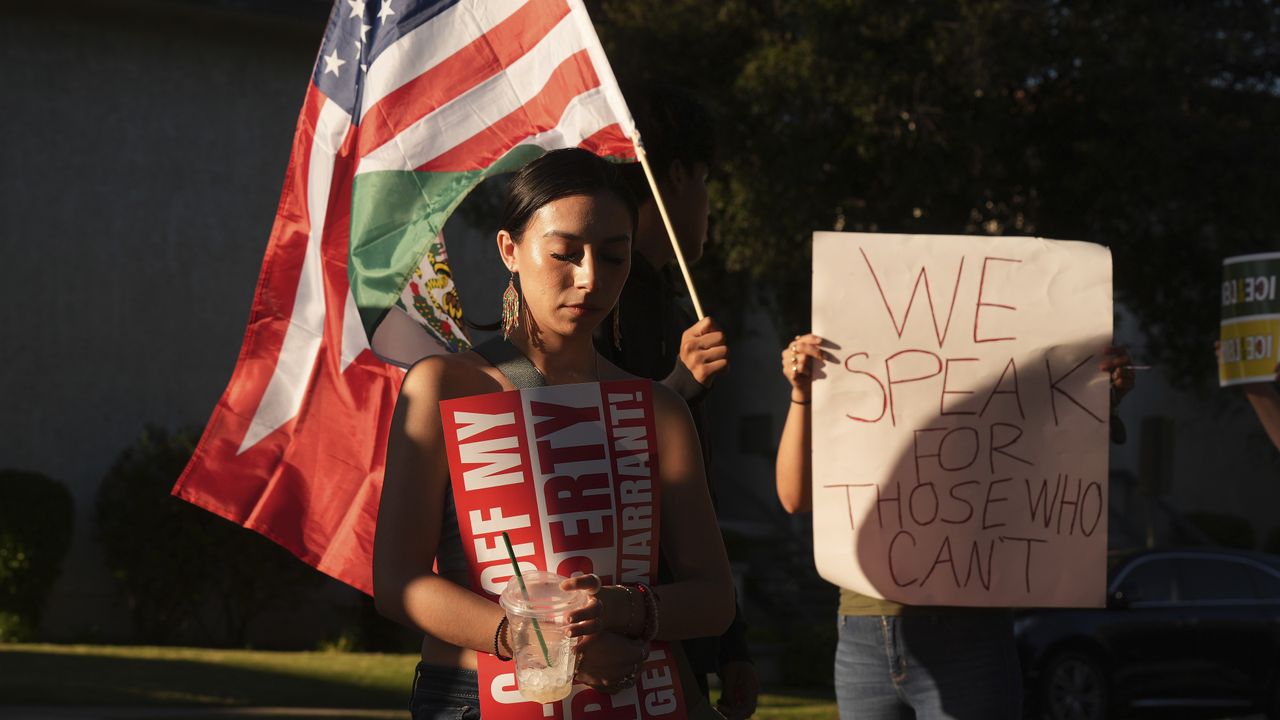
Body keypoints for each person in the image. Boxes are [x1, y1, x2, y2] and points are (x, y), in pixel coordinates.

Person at [373, 148, 736, 720]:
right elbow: (399, 581)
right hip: (477, 698)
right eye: (564, 253)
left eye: (614, 257)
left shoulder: (659, 410)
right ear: (509, 250)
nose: (590, 278)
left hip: (635, 699)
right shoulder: (444, 387)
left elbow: (714, 598)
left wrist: (623, 608)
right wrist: (538, 644)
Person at [775, 333, 1134, 720]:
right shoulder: (853, 358)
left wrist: (1092, 393)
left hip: (969, 633)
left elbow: (1047, 452)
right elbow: (794, 497)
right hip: (864, 633)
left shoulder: (995, 357)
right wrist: (801, 393)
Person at [594, 82, 757, 719]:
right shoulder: (599, 307)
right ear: (681, 175)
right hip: (621, 632)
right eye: (707, 182)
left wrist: (730, 642)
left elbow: (697, 500)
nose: (586, 277)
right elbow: (581, 453)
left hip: (682, 625)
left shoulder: (669, 301)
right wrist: (675, 391)